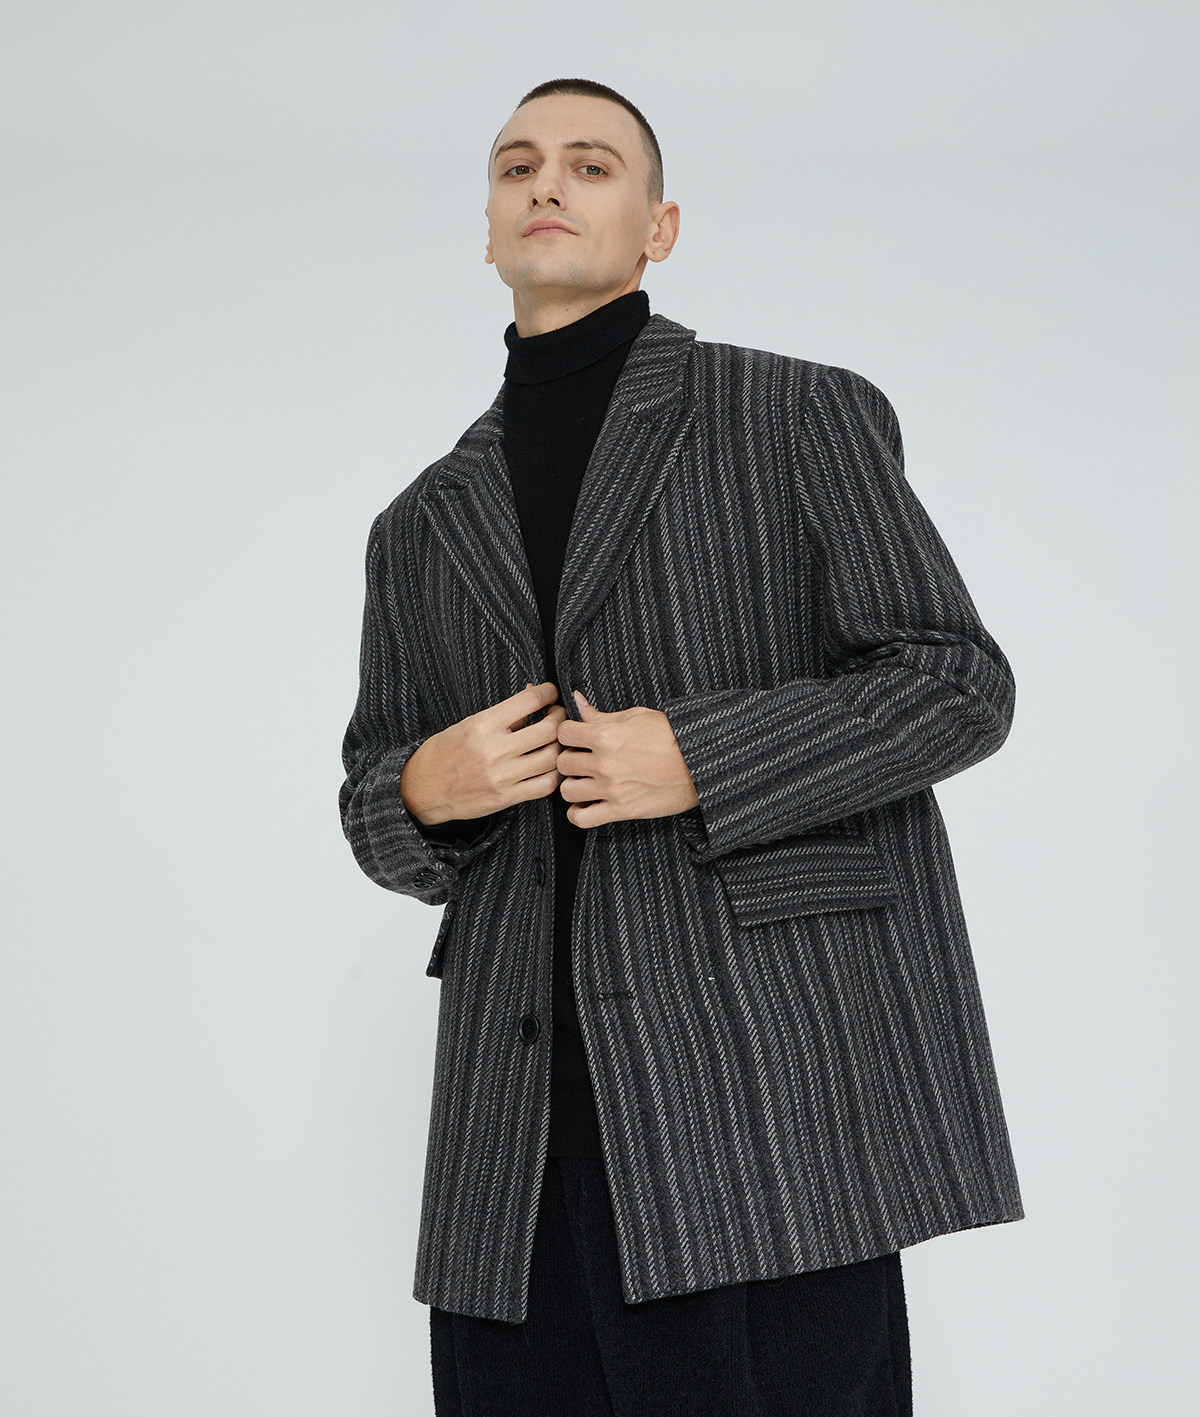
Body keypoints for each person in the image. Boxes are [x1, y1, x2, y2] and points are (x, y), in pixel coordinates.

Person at [339, 76, 1023, 1416]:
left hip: (758, 1098)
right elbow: (374, 795)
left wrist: (702, 757)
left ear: (659, 228)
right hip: (510, 1144)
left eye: (590, 164)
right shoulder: (419, 521)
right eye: (517, 166)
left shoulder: (794, 413)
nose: (546, 182)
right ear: (488, 227)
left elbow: (954, 681)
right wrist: (423, 790)